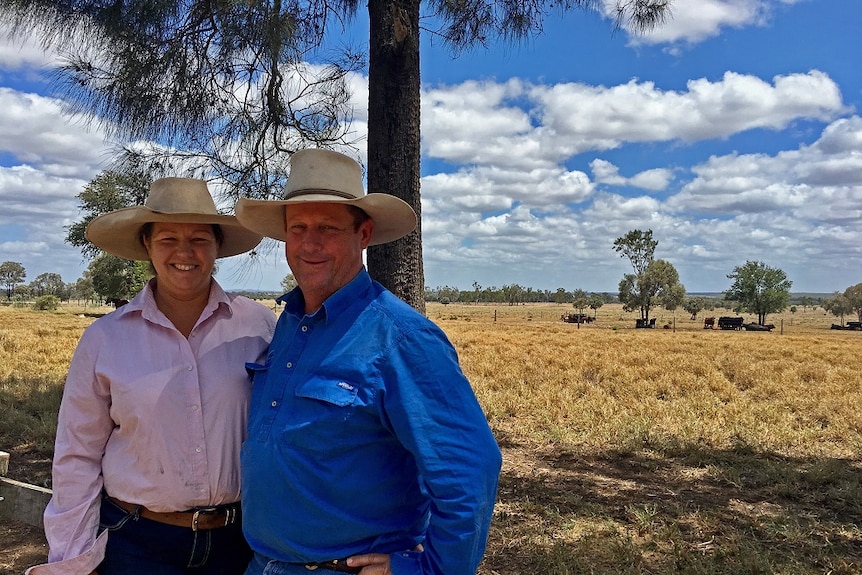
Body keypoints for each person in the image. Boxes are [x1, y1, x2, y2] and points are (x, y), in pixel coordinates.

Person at [235, 149, 502, 575]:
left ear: (364, 234)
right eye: (298, 227)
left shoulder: (403, 339)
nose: (310, 242)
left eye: (328, 227)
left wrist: (425, 571)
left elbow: (470, 471)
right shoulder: (288, 324)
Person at [27, 178, 276, 575]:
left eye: (199, 238)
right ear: (146, 245)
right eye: (167, 239)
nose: (184, 252)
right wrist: (72, 556)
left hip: (239, 541)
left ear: (217, 247)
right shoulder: (105, 338)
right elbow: (78, 453)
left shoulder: (258, 326)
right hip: (136, 543)